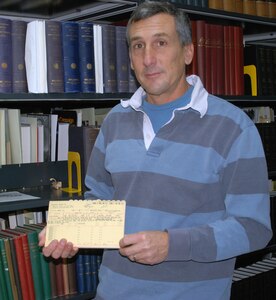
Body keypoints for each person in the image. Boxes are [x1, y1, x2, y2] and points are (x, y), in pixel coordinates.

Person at [39, 1, 272, 299]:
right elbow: (99, 201)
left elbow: (253, 228)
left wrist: (171, 245)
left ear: (187, 52)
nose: (148, 58)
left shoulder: (234, 127)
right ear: (131, 60)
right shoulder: (114, 122)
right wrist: (71, 233)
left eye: (160, 42)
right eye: (138, 46)